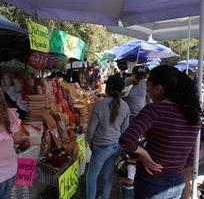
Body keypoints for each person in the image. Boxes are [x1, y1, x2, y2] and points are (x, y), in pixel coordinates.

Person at [119, 65, 201, 199]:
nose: (148, 92)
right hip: (177, 182)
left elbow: (126, 140)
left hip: (152, 183)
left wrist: (143, 154)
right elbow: (189, 158)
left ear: (158, 88)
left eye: (148, 87)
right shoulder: (193, 115)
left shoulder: (154, 110)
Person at [86, 74, 130, 199]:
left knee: (91, 178)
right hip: (116, 147)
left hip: (100, 147)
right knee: (108, 176)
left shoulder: (99, 105)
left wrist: (91, 144)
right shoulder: (126, 107)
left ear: (108, 88)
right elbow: (125, 131)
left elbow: (90, 130)